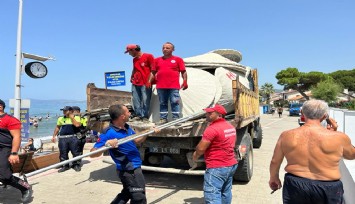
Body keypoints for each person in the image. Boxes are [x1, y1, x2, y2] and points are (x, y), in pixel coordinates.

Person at [269, 100, 355, 204]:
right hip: (328, 186)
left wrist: (274, 178)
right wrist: (335, 133)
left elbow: (275, 161)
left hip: (295, 184)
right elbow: (351, 155)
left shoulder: (286, 135)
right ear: (325, 116)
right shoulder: (339, 137)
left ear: (302, 113)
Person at [90, 104, 159, 204]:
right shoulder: (108, 132)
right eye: (128, 112)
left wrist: (149, 131)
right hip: (129, 169)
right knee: (139, 197)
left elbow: (137, 140)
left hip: (134, 166)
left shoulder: (127, 127)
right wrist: (106, 144)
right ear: (122, 116)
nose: (130, 114)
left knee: (127, 193)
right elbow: (92, 153)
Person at [192, 104, 238, 204]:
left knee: (212, 195)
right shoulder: (230, 127)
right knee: (226, 191)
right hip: (231, 164)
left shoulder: (212, 129)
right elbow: (233, 143)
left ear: (219, 115)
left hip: (217, 167)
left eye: (210, 113)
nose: (206, 115)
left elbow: (200, 149)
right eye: (207, 112)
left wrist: (195, 156)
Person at [0, 99, 32, 202]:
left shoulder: (10, 120)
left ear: (0, 106)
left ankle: (25, 187)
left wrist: (14, 153)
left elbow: (17, 137)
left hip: (5, 149)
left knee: (5, 176)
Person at [150, 42, 188, 124]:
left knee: (174, 102)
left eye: (167, 48)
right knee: (162, 103)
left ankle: (176, 120)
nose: (165, 49)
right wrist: (149, 81)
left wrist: (185, 81)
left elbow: (183, 71)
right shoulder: (156, 60)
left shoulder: (178, 59)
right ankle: (163, 119)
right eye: (163, 48)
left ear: (173, 49)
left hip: (173, 86)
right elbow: (153, 72)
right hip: (160, 86)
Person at [125, 44, 155, 122]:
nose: (129, 54)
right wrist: (132, 76)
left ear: (134, 50)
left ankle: (145, 116)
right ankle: (138, 115)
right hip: (136, 82)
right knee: (136, 99)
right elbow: (134, 68)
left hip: (145, 82)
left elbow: (153, 69)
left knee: (145, 100)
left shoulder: (149, 56)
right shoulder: (134, 60)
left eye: (129, 52)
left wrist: (149, 81)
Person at [51, 106, 82, 172]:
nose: (63, 112)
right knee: (63, 152)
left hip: (73, 137)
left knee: (75, 152)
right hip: (63, 138)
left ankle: (76, 164)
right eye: (63, 111)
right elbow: (57, 128)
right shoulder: (60, 118)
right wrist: (54, 136)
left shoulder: (77, 117)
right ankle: (65, 165)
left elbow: (77, 125)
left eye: (65, 110)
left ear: (71, 111)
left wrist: (72, 118)